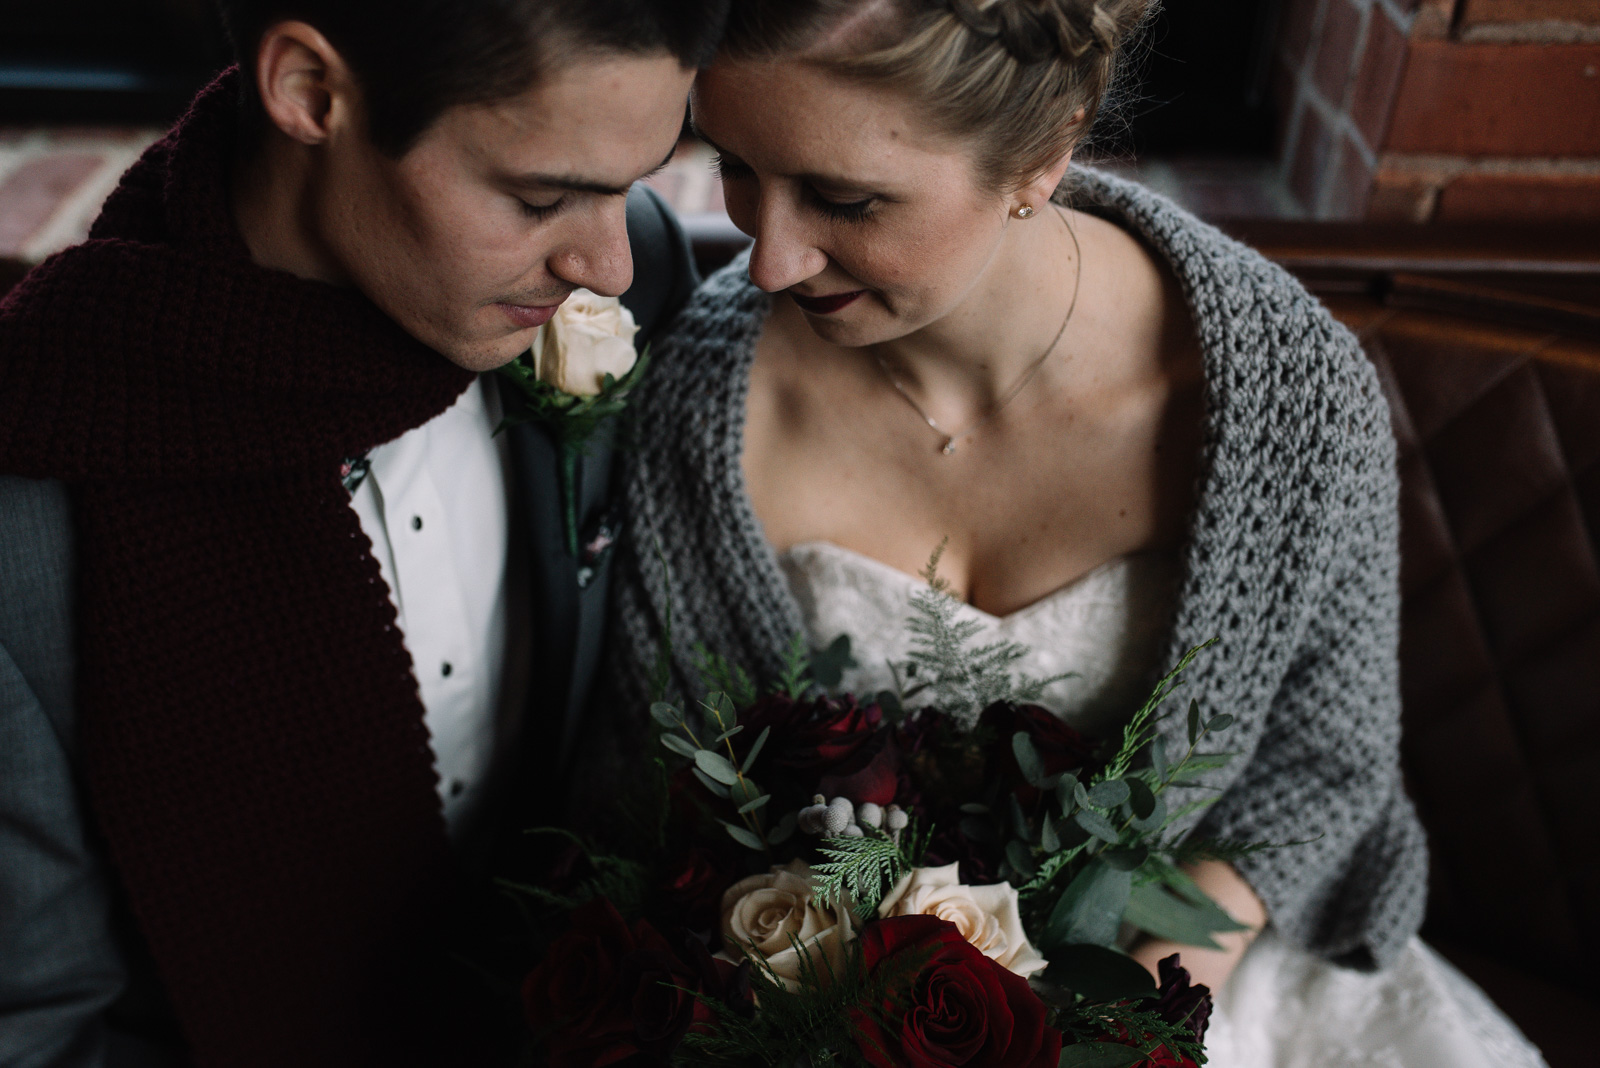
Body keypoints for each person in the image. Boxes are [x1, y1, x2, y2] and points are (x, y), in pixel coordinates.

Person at [598, 1, 1550, 1065]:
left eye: (843, 197)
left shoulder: (1288, 399)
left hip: (1200, 978)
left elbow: (1326, 767)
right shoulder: (700, 403)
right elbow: (669, 799)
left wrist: (1121, 1019)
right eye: (730, 163)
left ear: (1044, 152)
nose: (767, 258)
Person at [0, 1, 728, 1064]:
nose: (606, 264)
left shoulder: (637, 280)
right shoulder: (31, 504)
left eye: (634, 181)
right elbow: (41, 1033)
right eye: (539, 196)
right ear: (309, 91)